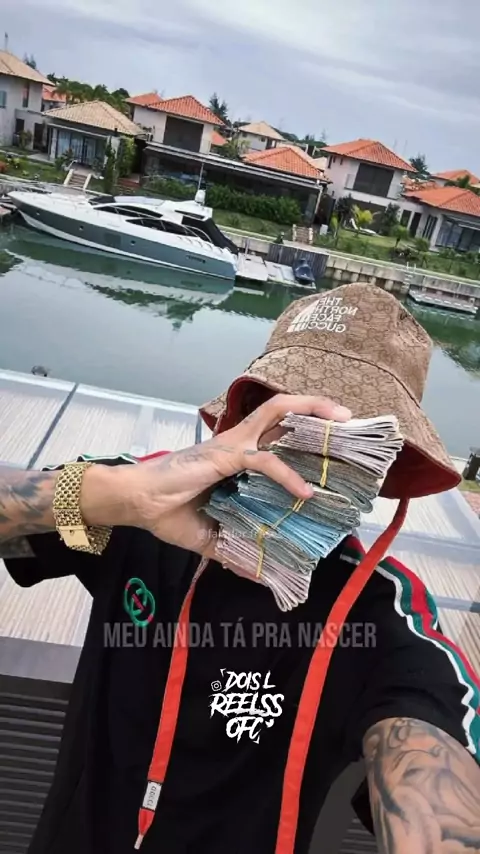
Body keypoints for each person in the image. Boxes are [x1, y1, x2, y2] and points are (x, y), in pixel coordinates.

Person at [1, 282, 479, 854]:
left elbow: (429, 756)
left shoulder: (378, 615)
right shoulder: (129, 516)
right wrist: (125, 497)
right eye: (288, 415)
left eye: (349, 441)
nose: (309, 455)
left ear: (384, 462)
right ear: (244, 415)